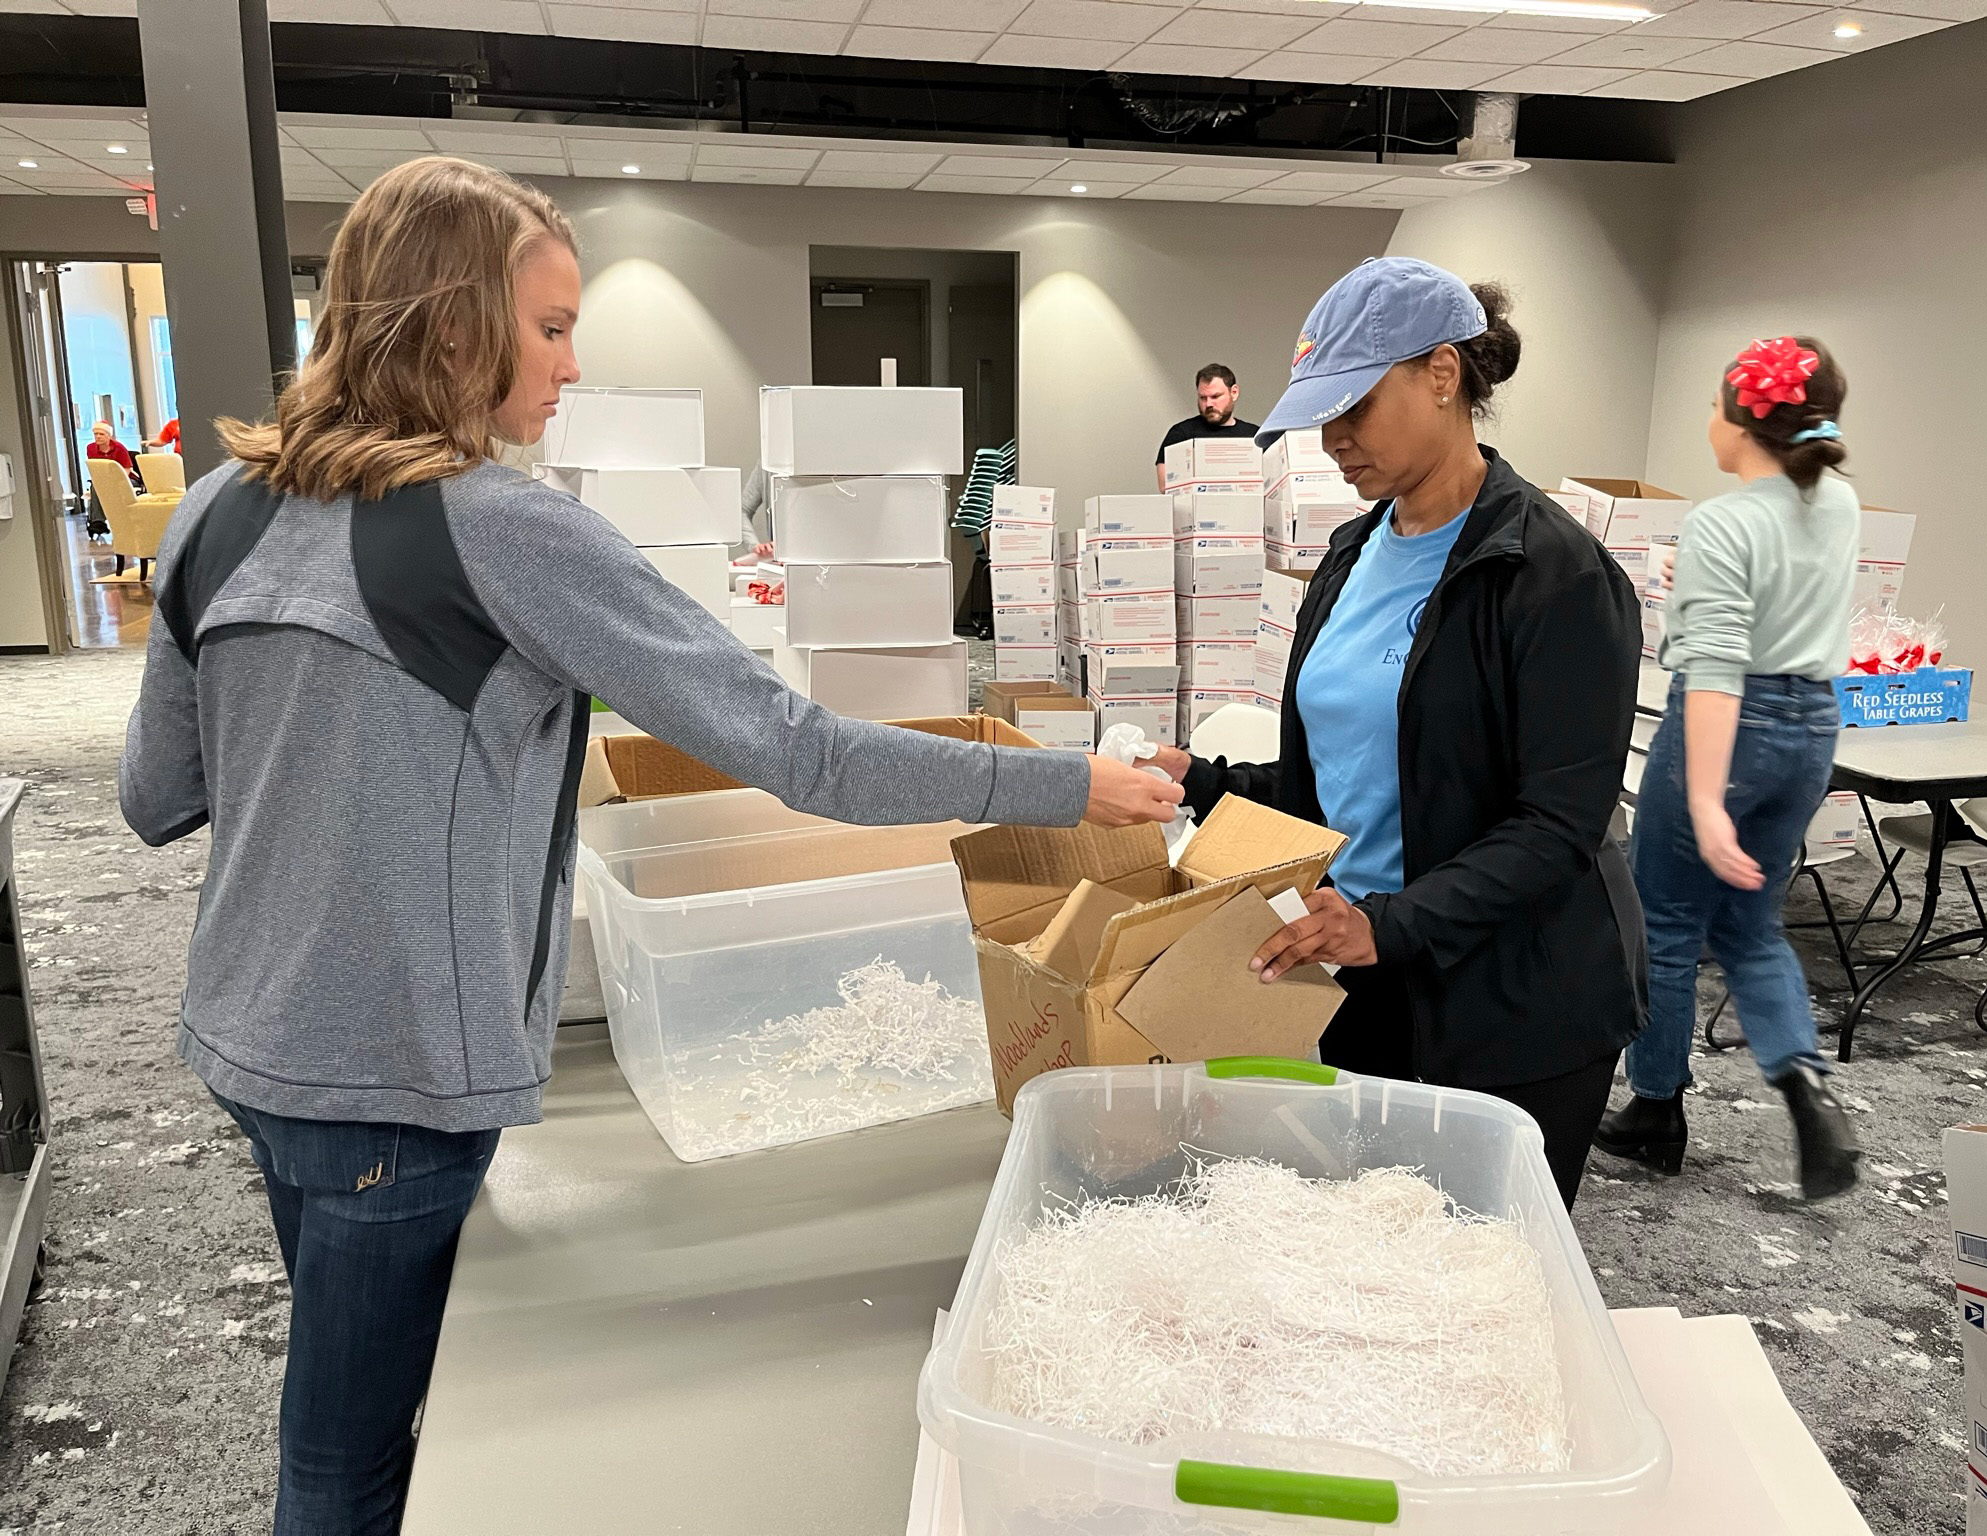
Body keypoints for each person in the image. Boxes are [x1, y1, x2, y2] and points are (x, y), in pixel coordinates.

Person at [119, 156, 1180, 1536]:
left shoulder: (216, 511)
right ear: (454, 327)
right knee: (346, 1464)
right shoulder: (505, 531)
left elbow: (157, 792)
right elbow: (803, 752)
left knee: (361, 1374)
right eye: (550, 329)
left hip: (246, 1036)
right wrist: (1061, 782)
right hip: (393, 1073)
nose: (571, 366)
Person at [1147, 258, 1645, 1211]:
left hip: (1513, 1001)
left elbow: (1558, 824)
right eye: (1321, 416)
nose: (1334, 441)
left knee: (1481, 1267)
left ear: (1444, 374)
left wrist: (1389, 923)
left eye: (1356, 408)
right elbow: (1340, 771)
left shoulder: (1552, 575)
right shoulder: (1349, 555)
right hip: (1365, 975)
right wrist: (1201, 779)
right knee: (1362, 1246)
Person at [1595, 337, 1861, 1201]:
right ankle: (1808, 1088)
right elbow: (1784, 590)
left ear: (1742, 419)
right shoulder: (1839, 503)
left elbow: (1713, 668)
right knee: (1751, 926)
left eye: (1713, 405)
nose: (1706, 422)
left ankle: (1655, 1111)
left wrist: (1706, 801)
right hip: (1811, 729)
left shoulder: (1721, 520)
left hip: (1732, 731)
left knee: (1667, 920)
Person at [1154, 363, 1259, 491]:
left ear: (1234, 392)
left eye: (1215, 396)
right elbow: (1165, 487)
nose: (1208, 404)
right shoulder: (1181, 434)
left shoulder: (1255, 436)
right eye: (1203, 398)